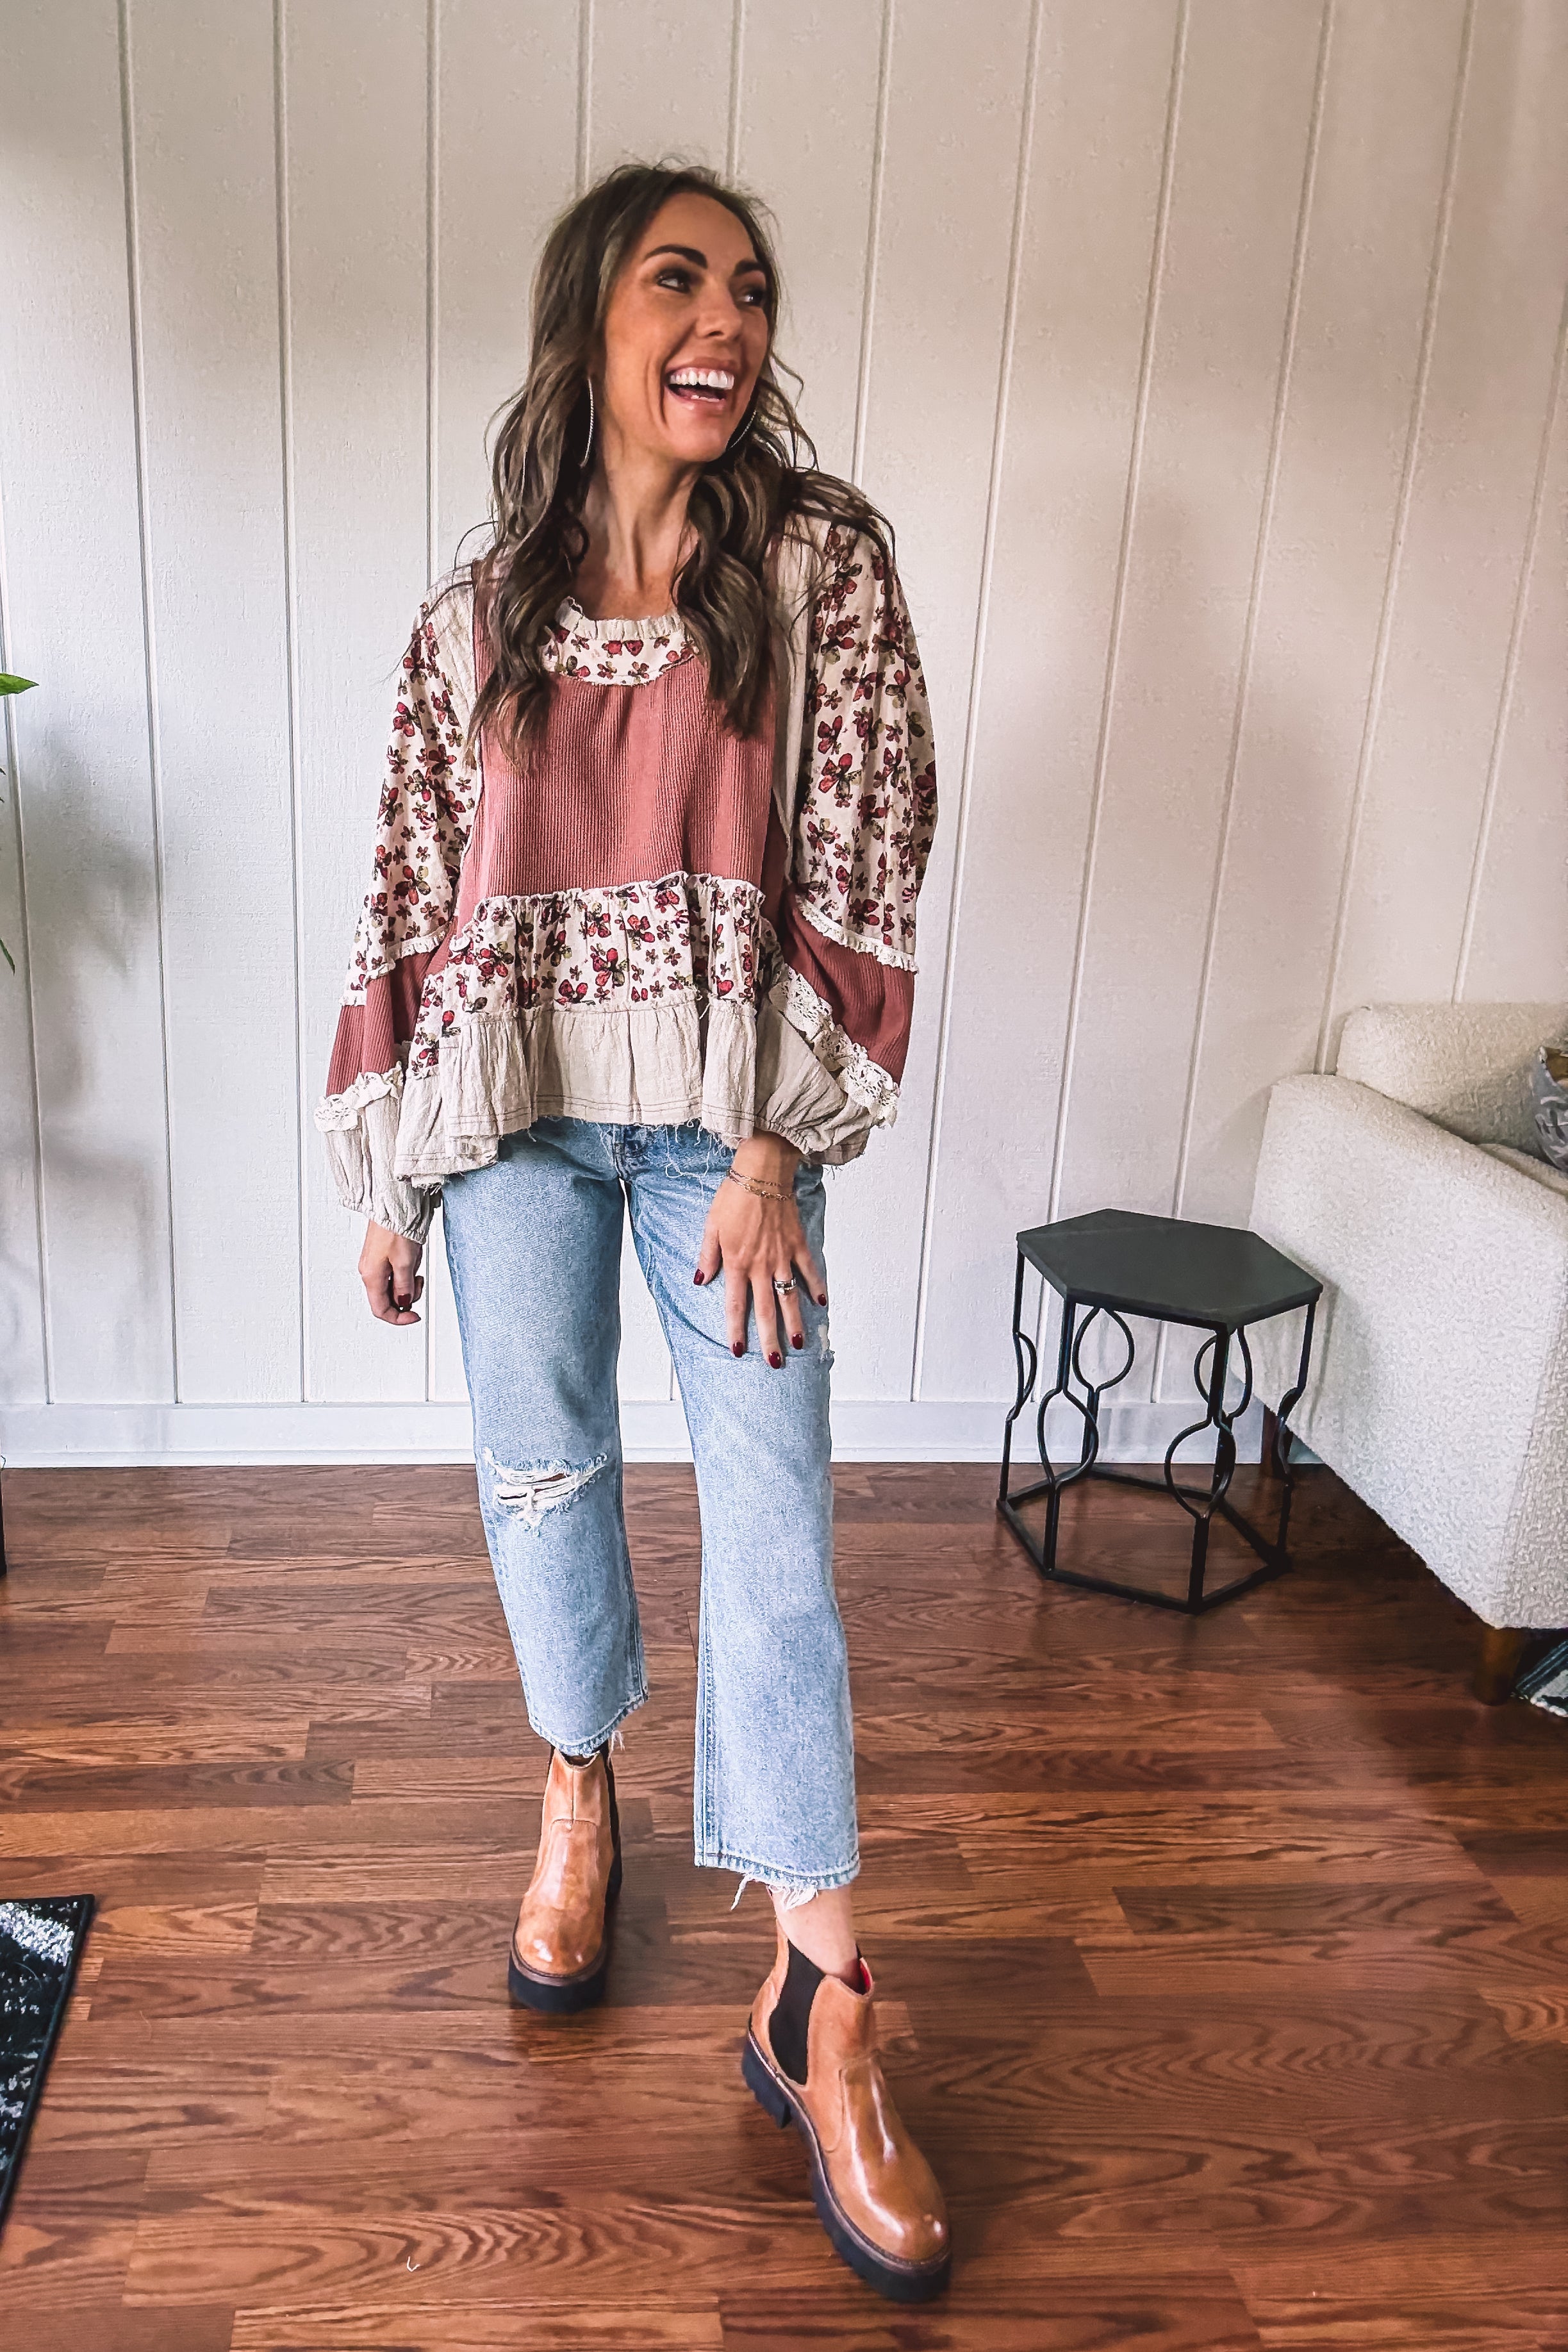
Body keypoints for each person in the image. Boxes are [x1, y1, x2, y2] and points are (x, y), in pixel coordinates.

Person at [317, 162, 946, 2303]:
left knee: (775, 1530)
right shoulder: (478, 613)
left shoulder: (820, 566)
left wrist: (772, 1146)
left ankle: (824, 2006)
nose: (727, 321)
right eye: (680, 279)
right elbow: (416, 894)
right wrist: (394, 1164)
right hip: (509, 1122)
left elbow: (870, 848)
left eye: (750, 289)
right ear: (590, 316)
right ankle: (577, 1785)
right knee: (542, 1473)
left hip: (718, 1135)